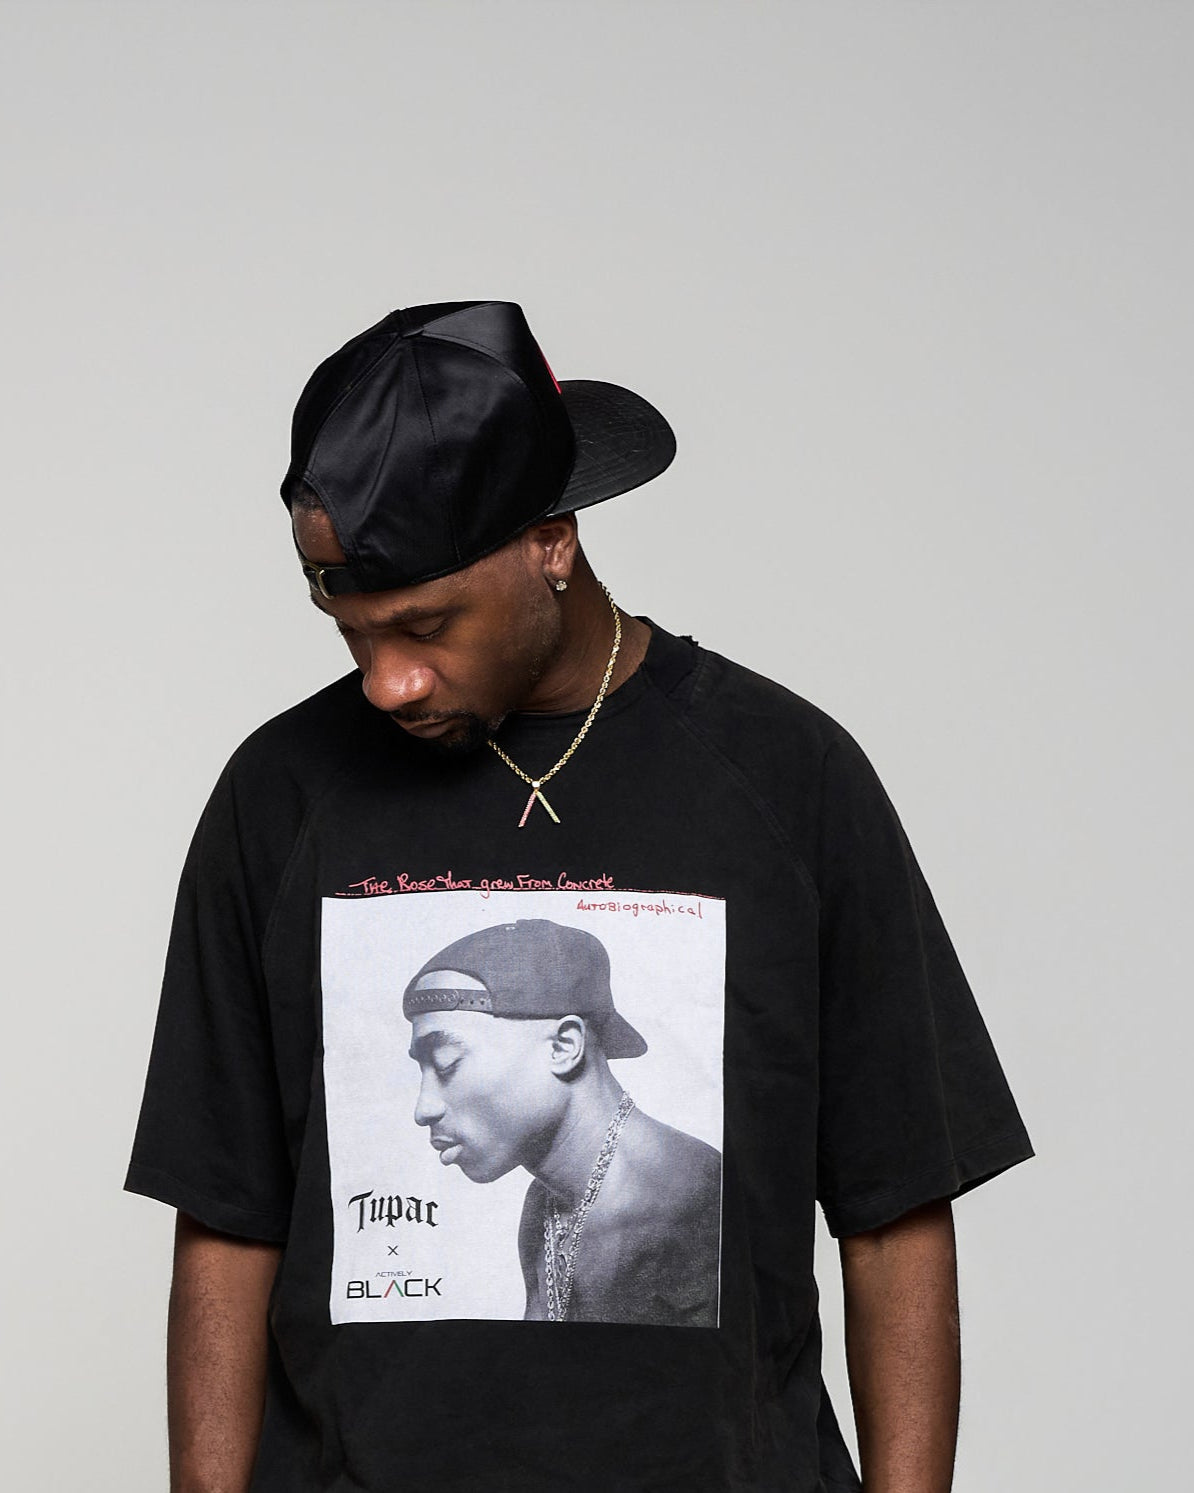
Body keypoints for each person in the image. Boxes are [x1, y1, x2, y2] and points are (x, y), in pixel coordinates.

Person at [124, 299, 1035, 1493]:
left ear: (550, 544)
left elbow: (894, 1212)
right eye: (350, 631)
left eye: (425, 624)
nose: (388, 682)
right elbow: (228, 1217)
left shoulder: (786, 779)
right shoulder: (280, 798)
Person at [402, 918, 723, 1327]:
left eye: (446, 1063)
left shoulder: (696, 1198)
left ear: (563, 1046)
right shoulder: (546, 1205)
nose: (424, 1109)